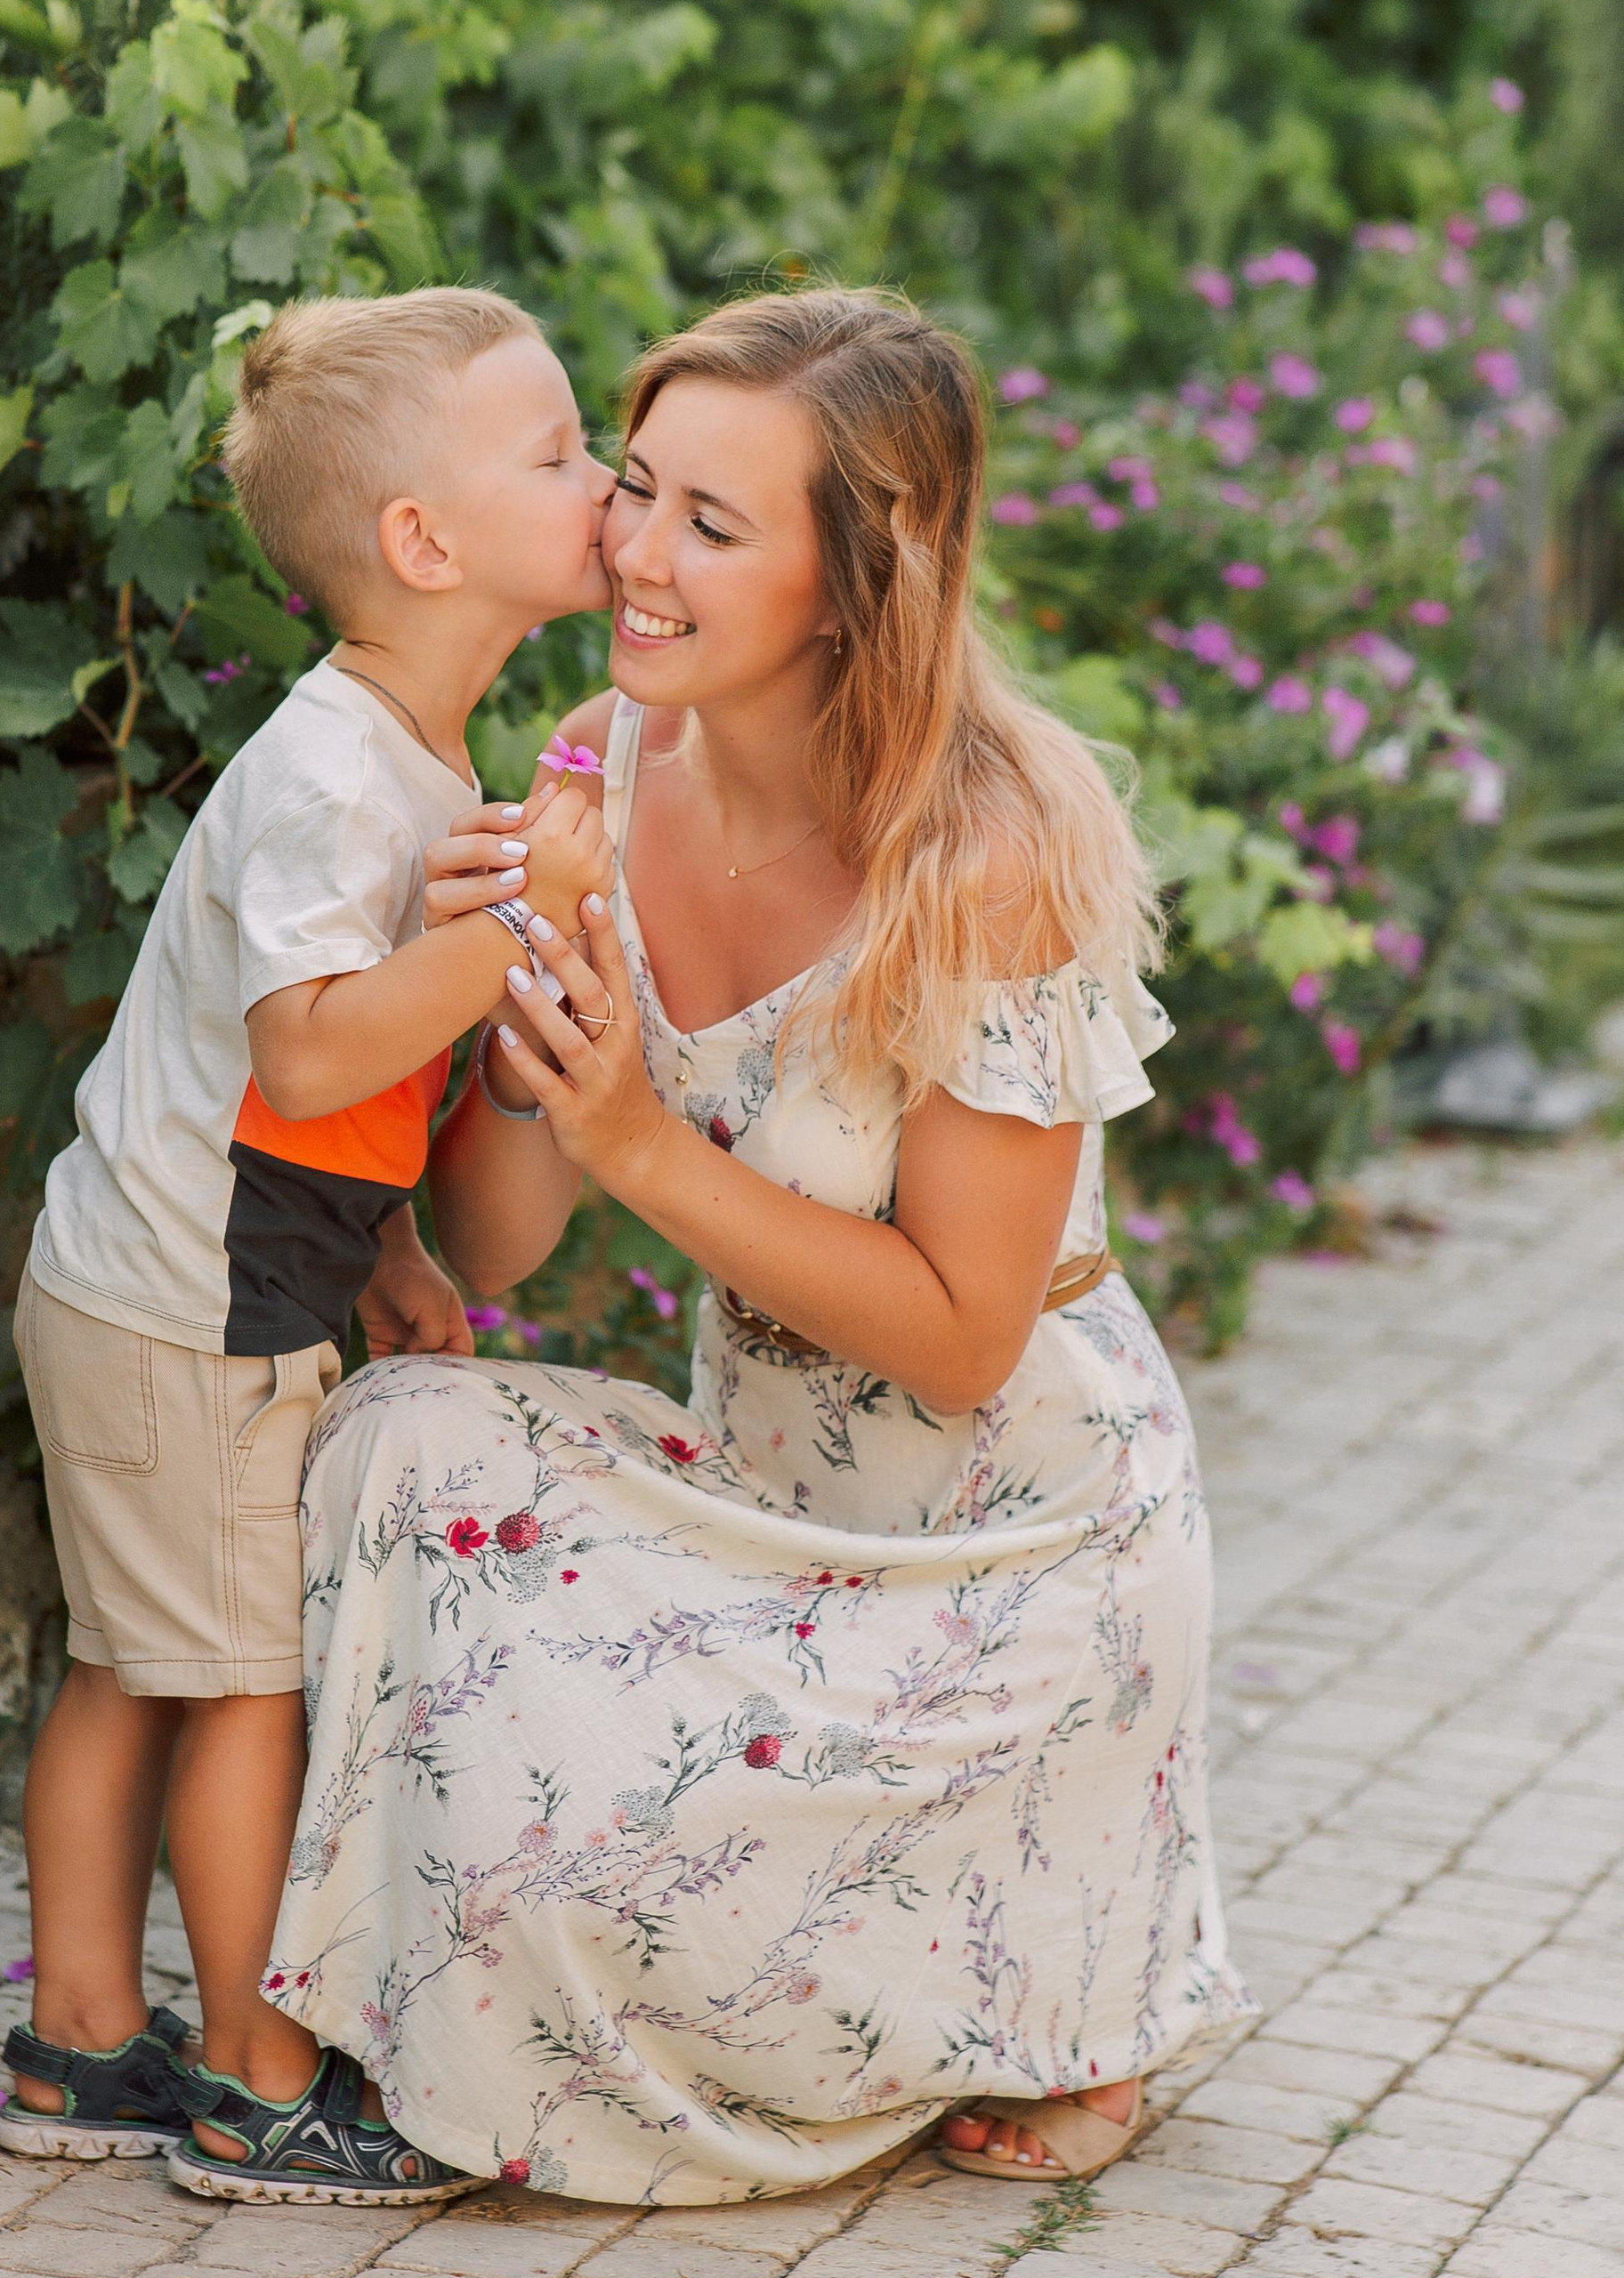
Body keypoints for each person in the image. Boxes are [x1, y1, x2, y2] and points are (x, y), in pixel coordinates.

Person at [263, 286, 1257, 2204]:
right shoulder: (600, 763)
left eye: (710, 523)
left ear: (855, 582)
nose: (633, 551)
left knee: (657, 1879)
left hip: (1016, 1560)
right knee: (398, 1438)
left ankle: (1055, 1972)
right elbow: (495, 1247)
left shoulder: (984, 851)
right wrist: (523, 1016)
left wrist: (638, 1134)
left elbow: (964, 1337)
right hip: (761, 1502)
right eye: (633, 487)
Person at [0, 285, 613, 2207]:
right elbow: (311, 1044)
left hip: (175, 1278)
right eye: (559, 453)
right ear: (423, 542)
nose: (603, 481)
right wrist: (524, 927)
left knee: (135, 1666)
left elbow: (331, 1089)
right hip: (186, 1310)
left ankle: (80, 2040)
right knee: (238, 1683)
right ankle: (256, 2080)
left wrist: (388, 1247)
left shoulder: (406, 756)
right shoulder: (336, 774)